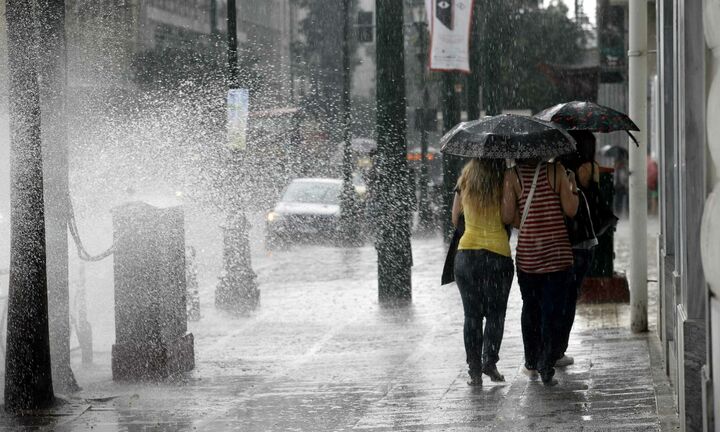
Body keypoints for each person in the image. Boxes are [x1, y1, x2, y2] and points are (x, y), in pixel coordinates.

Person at [502, 157, 578, 386]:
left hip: (528, 257)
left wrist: (526, 223)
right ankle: (547, 363)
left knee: (530, 307)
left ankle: (532, 361)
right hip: (557, 254)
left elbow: (506, 216)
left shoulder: (512, 176)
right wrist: (572, 186)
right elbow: (571, 209)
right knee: (552, 310)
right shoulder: (556, 171)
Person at [452, 158, 514, 386]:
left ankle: (474, 370)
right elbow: (508, 217)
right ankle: (490, 361)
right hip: (497, 255)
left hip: (467, 255)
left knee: (472, 315)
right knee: (495, 315)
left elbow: (454, 217)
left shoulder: (465, 178)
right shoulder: (504, 179)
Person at [556, 131, 601, 367]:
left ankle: (551, 346)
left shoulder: (559, 170)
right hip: (582, 239)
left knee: (556, 296)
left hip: (560, 238)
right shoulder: (589, 169)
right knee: (570, 298)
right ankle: (559, 348)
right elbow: (594, 202)